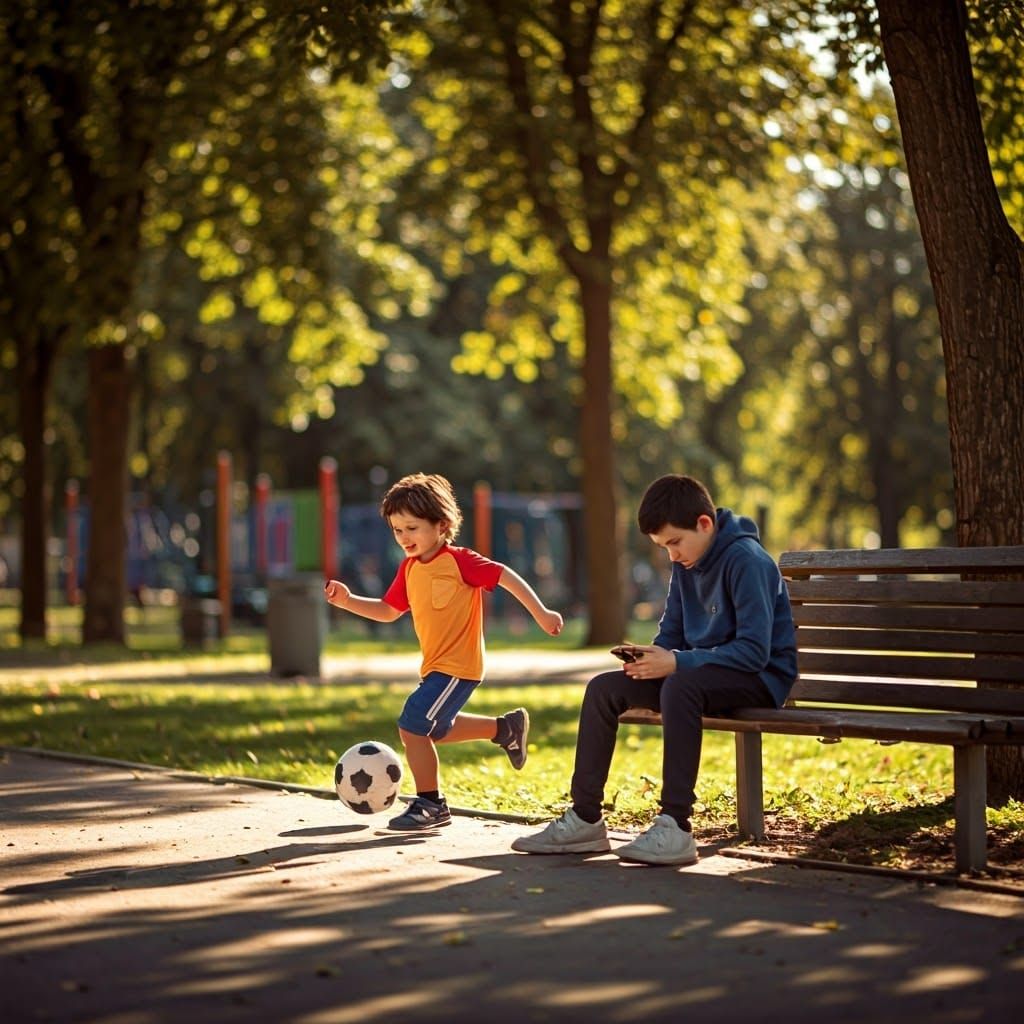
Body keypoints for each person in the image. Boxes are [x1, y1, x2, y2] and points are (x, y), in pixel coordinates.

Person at [512, 473, 797, 865]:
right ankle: (585, 819)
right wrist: (652, 657)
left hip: (759, 679)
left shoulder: (747, 560)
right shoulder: (686, 563)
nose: (672, 555)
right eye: (664, 547)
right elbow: (673, 632)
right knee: (603, 688)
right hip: (698, 675)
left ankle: (676, 826)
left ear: (704, 523)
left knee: (680, 685)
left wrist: (677, 661)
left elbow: (754, 652)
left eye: (675, 542)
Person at [325, 472, 564, 832]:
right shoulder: (409, 568)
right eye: (397, 530)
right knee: (433, 730)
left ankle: (431, 804)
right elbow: (388, 611)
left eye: (412, 528)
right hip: (436, 667)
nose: (404, 537)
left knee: (412, 725)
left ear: (442, 525)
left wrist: (541, 613)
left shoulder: (459, 561)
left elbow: (505, 576)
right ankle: (505, 729)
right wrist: (348, 601)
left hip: (459, 666)